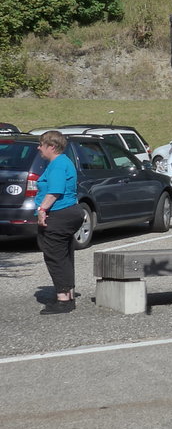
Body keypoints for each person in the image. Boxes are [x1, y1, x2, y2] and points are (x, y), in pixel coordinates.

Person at [35, 131, 84, 314]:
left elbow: (55, 190)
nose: (39, 148)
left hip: (59, 213)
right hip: (70, 211)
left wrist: (42, 210)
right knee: (64, 254)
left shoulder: (57, 164)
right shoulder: (65, 162)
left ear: (52, 147)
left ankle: (63, 300)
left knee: (55, 255)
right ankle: (68, 295)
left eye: (41, 144)